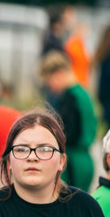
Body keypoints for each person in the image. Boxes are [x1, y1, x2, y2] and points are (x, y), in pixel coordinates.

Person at [40, 51, 97, 191]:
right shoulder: (83, 93)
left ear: (59, 73)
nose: (51, 87)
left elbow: (65, 133)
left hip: (73, 162)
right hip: (85, 159)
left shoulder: (69, 97)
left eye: (50, 81)